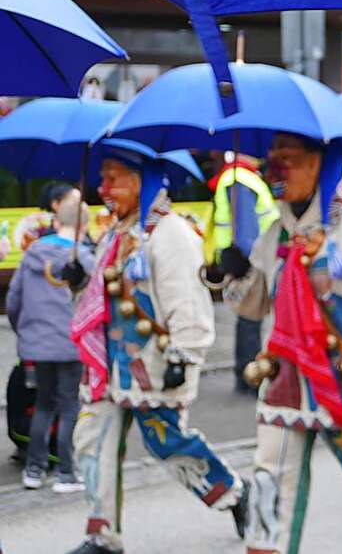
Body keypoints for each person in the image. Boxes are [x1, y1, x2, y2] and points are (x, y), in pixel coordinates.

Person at [219, 133, 342, 552]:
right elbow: (252, 307)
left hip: (340, 378)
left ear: (317, 164)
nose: (276, 170)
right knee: (270, 477)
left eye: (287, 159)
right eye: (273, 159)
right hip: (285, 378)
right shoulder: (275, 233)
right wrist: (234, 271)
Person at [64, 145, 247, 554]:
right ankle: (102, 536)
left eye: (114, 179)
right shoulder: (115, 232)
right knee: (92, 441)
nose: (103, 188)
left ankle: (234, 492)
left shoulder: (171, 233)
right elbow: (101, 297)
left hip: (156, 362)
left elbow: (188, 300)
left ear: (140, 180)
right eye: (102, 179)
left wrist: (185, 353)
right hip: (109, 367)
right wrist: (80, 280)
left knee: (168, 444)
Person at [7, 187, 93, 492]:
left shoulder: (33, 253)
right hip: (71, 345)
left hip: (37, 344)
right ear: (83, 226)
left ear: (57, 221)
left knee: (43, 404)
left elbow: (14, 300)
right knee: (69, 406)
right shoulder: (84, 259)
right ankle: (67, 474)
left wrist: (25, 332)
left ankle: (34, 470)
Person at [201, 151, 278, 395]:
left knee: (247, 317)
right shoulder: (241, 179)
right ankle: (248, 375)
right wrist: (247, 260)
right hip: (250, 259)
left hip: (245, 257)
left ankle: (244, 372)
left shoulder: (237, 177)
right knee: (249, 316)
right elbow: (245, 226)